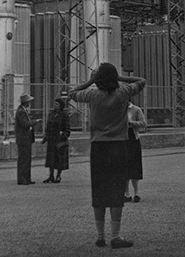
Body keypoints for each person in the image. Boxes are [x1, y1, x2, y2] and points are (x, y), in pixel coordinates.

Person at [68, 63, 146, 249]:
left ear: (98, 79)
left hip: (98, 147)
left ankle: (100, 236)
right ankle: (116, 236)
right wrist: (119, 78)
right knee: (117, 191)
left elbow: (72, 93)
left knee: (99, 190)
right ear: (115, 77)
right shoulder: (123, 93)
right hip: (119, 146)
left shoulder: (92, 95)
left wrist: (92, 80)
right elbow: (141, 81)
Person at [41, 97, 71, 183]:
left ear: (61, 105)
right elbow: (48, 126)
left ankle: (58, 175)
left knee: (59, 158)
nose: (55, 105)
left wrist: (63, 137)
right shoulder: (51, 114)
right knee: (51, 158)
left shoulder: (64, 115)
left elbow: (67, 128)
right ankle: (51, 176)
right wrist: (46, 138)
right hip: (51, 139)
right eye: (54, 104)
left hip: (59, 139)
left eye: (57, 104)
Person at [15, 93, 41, 185]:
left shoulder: (23, 110)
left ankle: (26, 178)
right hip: (23, 138)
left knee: (26, 159)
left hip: (26, 138)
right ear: (26, 102)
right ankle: (22, 178)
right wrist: (34, 122)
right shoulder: (21, 111)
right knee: (24, 159)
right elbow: (25, 124)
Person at [124, 101, 147, 203]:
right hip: (121, 140)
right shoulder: (117, 109)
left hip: (133, 139)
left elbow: (143, 123)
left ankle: (136, 193)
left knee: (135, 166)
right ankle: (126, 194)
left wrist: (131, 123)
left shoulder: (136, 110)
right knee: (123, 167)